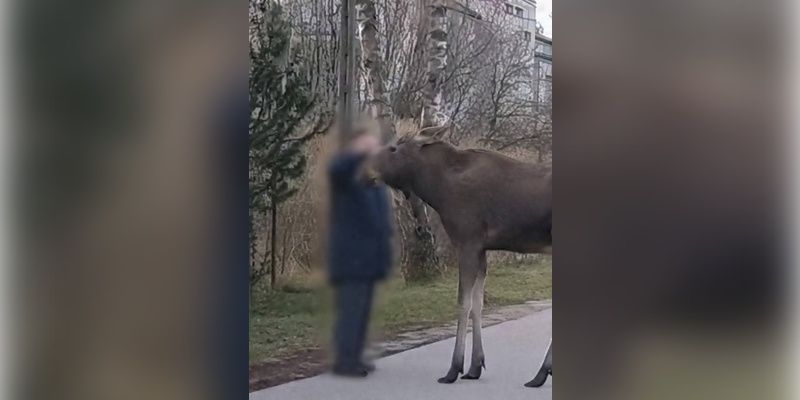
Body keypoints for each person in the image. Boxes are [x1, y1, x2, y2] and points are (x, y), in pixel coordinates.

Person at [327, 130, 393, 377]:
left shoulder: (375, 187)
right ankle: (345, 362)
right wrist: (359, 150)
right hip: (351, 262)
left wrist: (383, 261)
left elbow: (382, 229)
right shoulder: (345, 181)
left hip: (370, 262)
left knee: (362, 314)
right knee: (351, 312)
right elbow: (337, 168)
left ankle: (355, 357)